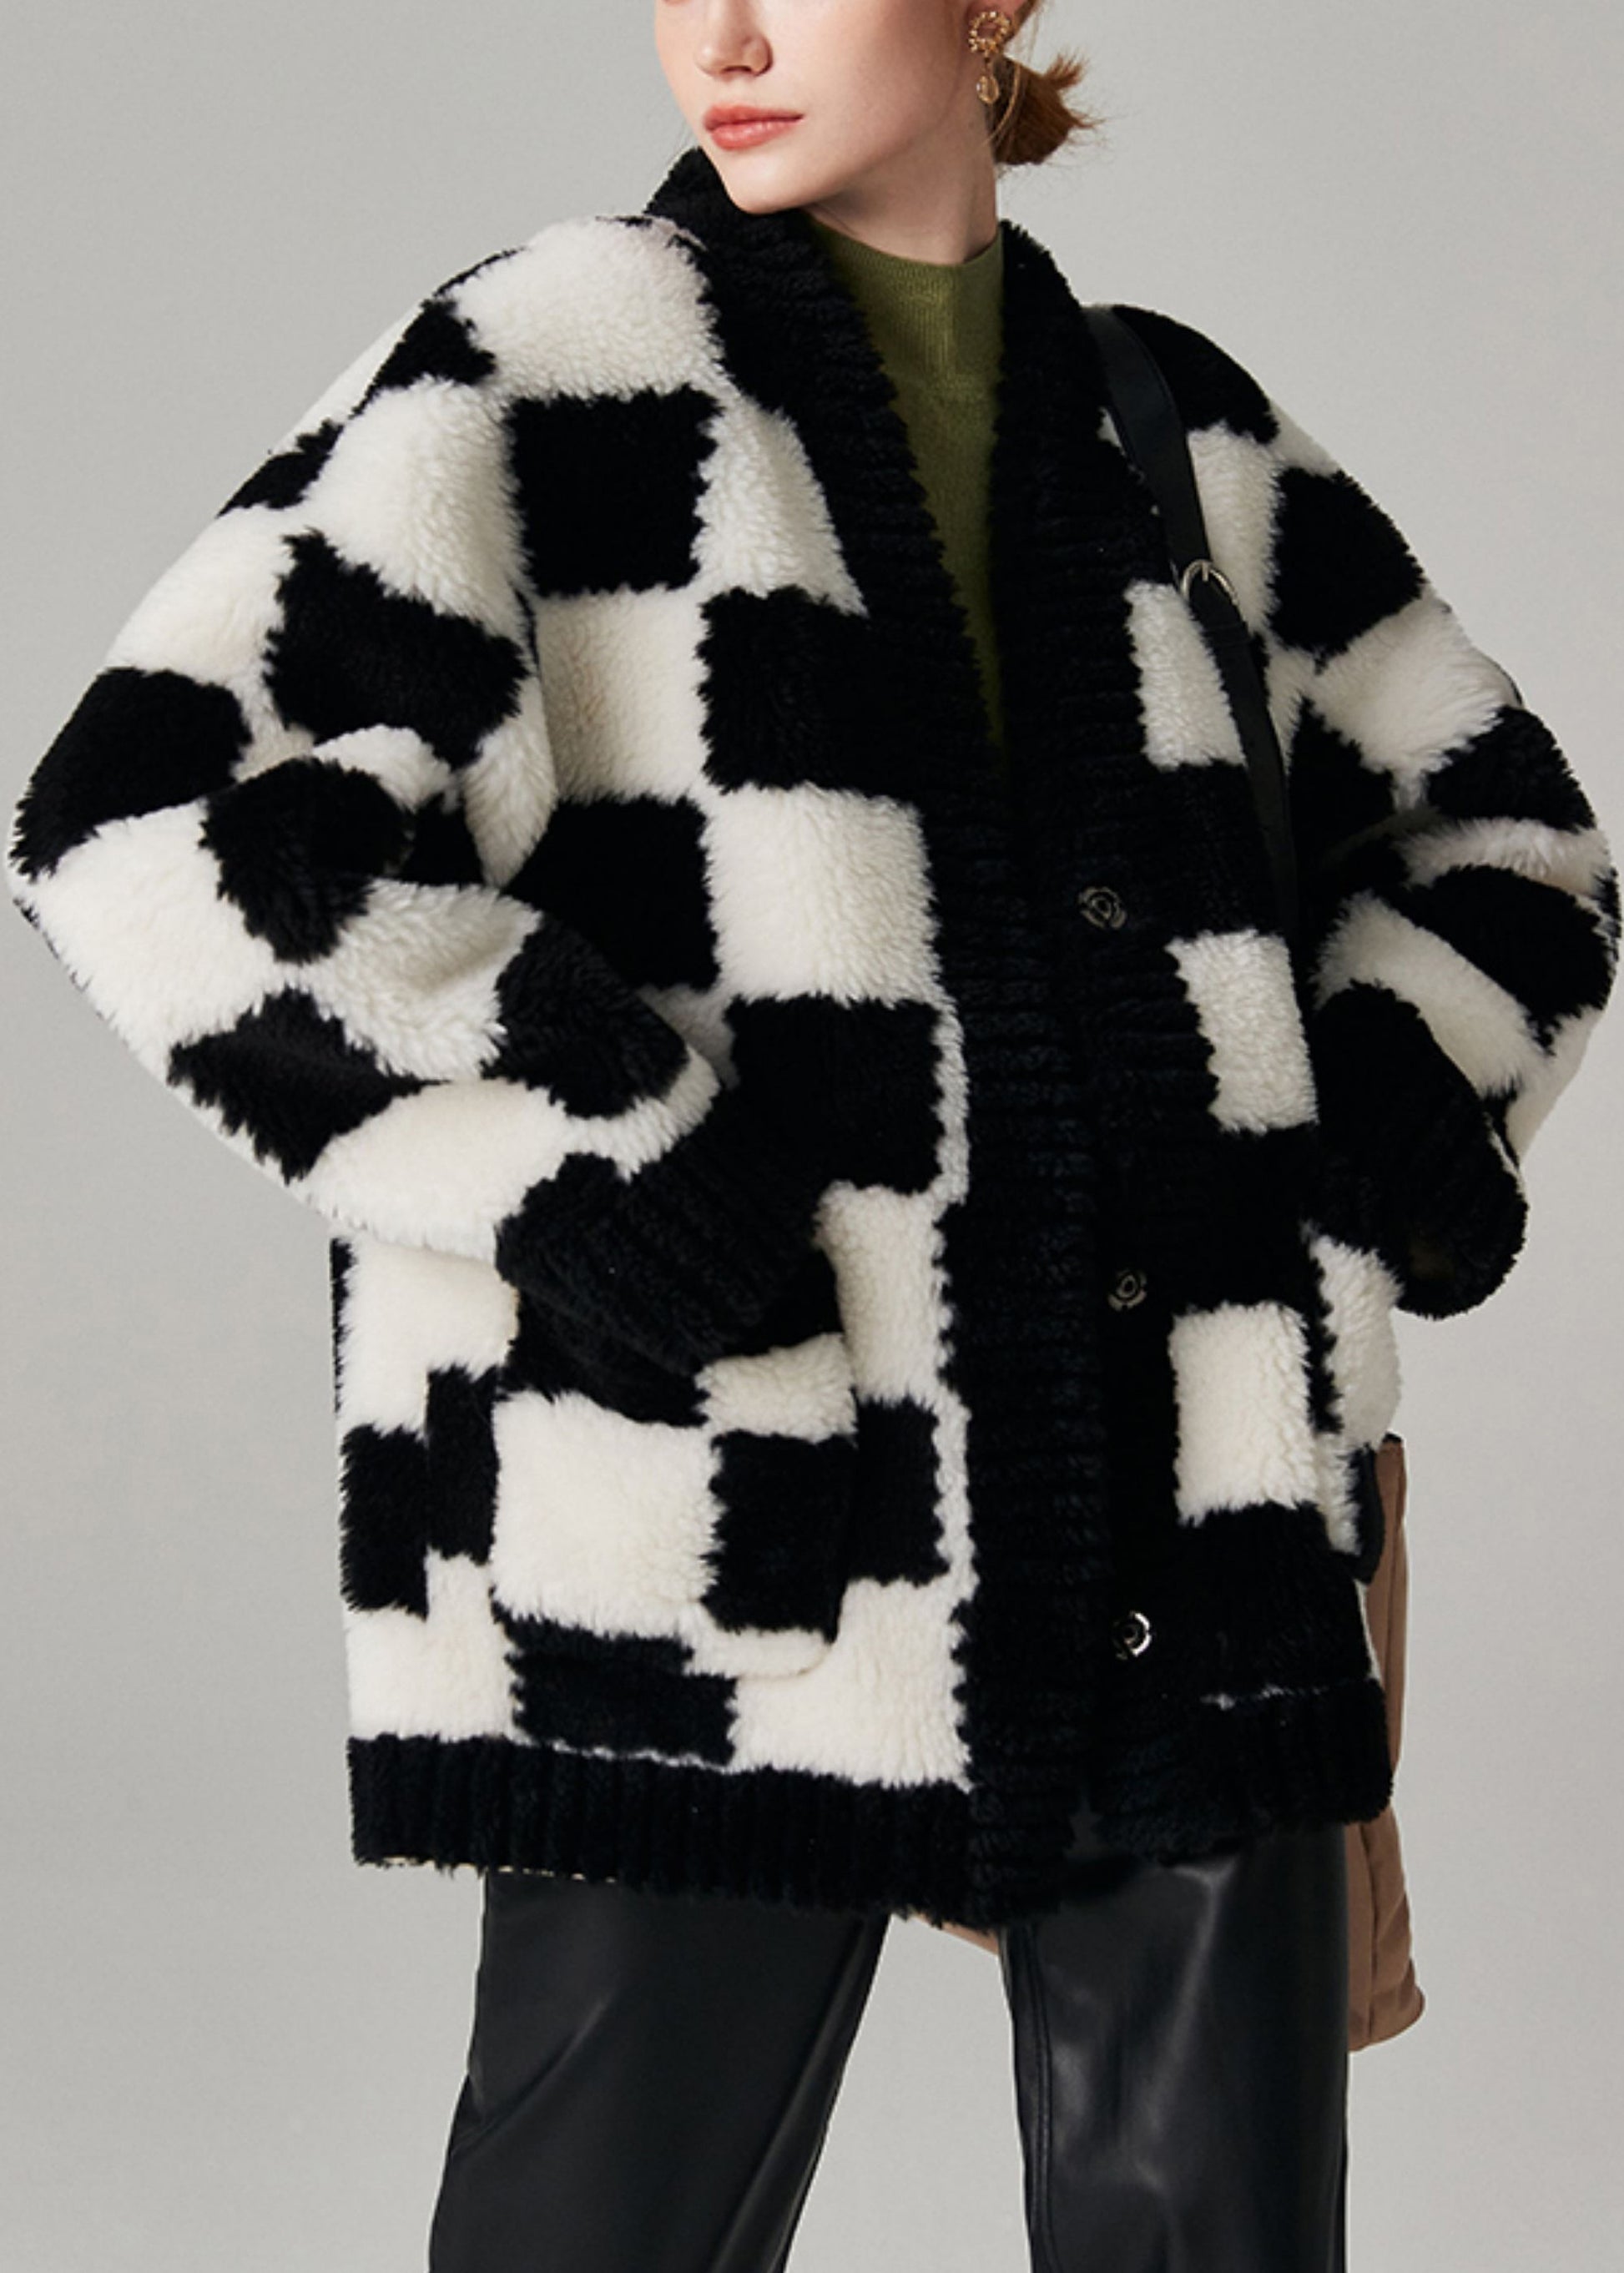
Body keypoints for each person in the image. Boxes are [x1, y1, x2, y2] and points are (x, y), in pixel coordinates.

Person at [6, 3, 1616, 2267]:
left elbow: (1505, 843)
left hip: (1202, 1529)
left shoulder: (1174, 429)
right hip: (724, 1539)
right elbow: (156, 818)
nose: (728, 33)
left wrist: (1363, 1141)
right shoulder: (552, 365)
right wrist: (622, 1177)